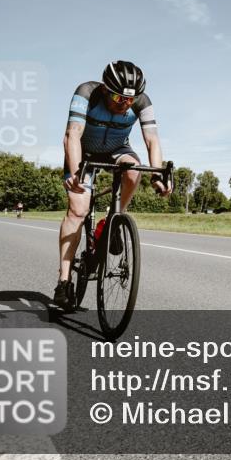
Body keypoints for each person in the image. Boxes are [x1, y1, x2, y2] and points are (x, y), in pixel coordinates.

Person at [55, 60, 172, 309]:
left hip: (117, 150)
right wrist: (75, 172)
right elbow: (72, 134)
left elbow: (152, 139)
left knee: (134, 171)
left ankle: (114, 217)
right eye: (120, 98)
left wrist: (157, 175)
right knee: (77, 210)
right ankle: (64, 280)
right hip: (83, 153)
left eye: (131, 99)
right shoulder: (86, 92)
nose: (126, 104)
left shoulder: (142, 102)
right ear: (107, 89)